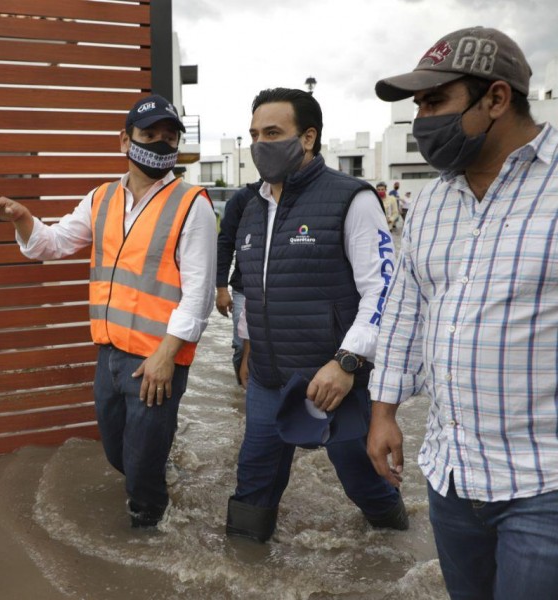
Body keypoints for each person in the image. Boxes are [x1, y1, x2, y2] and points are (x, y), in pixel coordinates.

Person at [368, 26, 558, 599]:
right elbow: (406, 309)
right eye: (418, 105)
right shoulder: (431, 203)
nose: (421, 120)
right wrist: (384, 411)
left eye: (434, 102)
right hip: (451, 477)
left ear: (496, 98)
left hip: (543, 485)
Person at [0, 94, 217, 528]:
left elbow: (199, 294)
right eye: (149, 135)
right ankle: (159, 475)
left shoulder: (191, 203)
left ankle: (149, 535)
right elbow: (54, 243)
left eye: (169, 137)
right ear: (125, 141)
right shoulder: (101, 198)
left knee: (140, 471)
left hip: (157, 359)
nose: (160, 144)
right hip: (109, 355)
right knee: (118, 452)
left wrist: (166, 356)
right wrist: (23, 218)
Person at [225, 88, 408, 543]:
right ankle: (246, 571)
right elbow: (247, 288)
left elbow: (385, 293)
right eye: (253, 134)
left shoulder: (353, 199)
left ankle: (397, 548)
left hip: (335, 385)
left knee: (366, 486)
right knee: (252, 490)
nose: (260, 144)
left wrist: (347, 362)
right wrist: (248, 348)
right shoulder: (251, 207)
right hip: (268, 382)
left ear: (308, 138)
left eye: (273, 133)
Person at [215, 180, 261, 385]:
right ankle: (242, 392)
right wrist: (221, 288)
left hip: (283, 288)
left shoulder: (299, 196)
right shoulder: (242, 199)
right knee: (242, 345)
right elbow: (225, 242)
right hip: (245, 287)